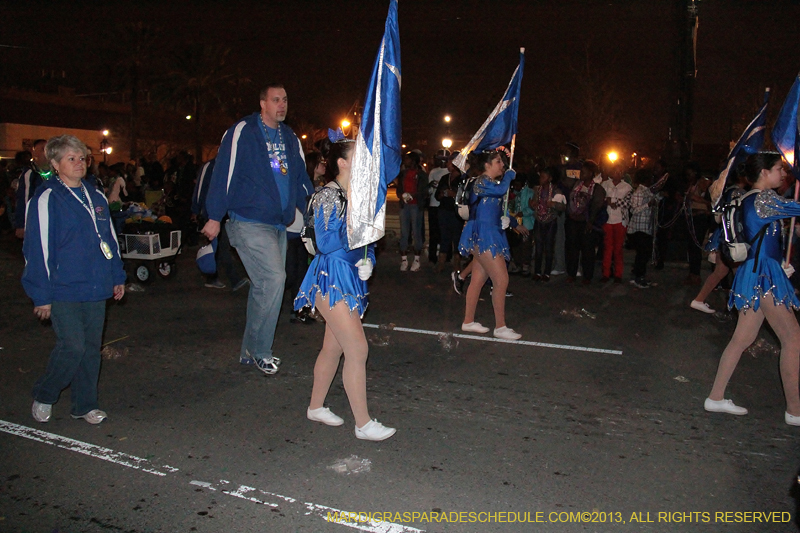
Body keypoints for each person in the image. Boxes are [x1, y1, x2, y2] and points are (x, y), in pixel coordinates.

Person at [203, 84, 314, 375]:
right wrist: (215, 215)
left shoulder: (289, 137)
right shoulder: (243, 131)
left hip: (279, 223)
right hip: (248, 221)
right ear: (262, 103)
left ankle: (248, 352)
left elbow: (300, 178)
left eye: (285, 100)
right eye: (276, 100)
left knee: (264, 287)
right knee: (276, 279)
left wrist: (312, 211)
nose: (282, 105)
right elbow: (224, 172)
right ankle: (262, 352)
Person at [294, 136, 395, 441]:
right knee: (358, 348)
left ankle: (315, 407)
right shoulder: (328, 195)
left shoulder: (357, 196)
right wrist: (356, 222)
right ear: (342, 162)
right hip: (331, 276)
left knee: (333, 347)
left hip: (350, 276)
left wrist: (370, 261)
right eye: (359, 157)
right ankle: (363, 424)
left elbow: (368, 243)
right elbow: (324, 243)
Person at [22, 135, 126, 425]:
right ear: (55, 164)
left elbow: (110, 240)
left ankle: (84, 404)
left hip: (95, 284)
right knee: (73, 346)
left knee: (91, 349)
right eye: (72, 158)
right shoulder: (46, 198)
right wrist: (40, 295)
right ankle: (45, 393)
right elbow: (37, 249)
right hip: (62, 287)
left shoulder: (96, 195)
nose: (79, 163)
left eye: (83, 158)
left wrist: (116, 276)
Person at [705, 152, 800, 426]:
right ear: (764, 173)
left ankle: (716, 397)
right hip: (764, 276)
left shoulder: (747, 199)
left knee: (741, 339)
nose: (783, 174)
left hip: (754, 273)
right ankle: (795, 410)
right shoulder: (764, 199)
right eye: (779, 169)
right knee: (793, 338)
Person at [458, 150, 528, 340]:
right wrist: (510, 177)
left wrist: (511, 223)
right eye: (498, 162)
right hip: (483, 235)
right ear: (487, 165)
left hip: (489, 233)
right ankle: (500, 326)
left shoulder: (490, 184)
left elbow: (494, 210)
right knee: (501, 280)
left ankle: (468, 321)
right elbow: (499, 191)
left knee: (478, 280)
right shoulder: (481, 181)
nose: (502, 165)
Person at [191, 158, 249, 292]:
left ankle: (212, 276)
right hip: (210, 213)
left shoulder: (231, 165)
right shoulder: (210, 166)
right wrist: (196, 209)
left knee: (219, 247)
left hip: (224, 213)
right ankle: (230, 279)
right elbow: (200, 188)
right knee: (220, 246)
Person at [564, 160, 606, 284]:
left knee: (588, 251)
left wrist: (591, 222)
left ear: (591, 173)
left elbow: (596, 207)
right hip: (573, 221)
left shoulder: (597, 189)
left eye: (584, 172)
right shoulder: (576, 184)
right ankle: (571, 273)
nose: (581, 174)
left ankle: (587, 276)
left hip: (587, 222)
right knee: (572, 249)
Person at [531, 166, 566, 281]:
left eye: (543, 177)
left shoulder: (556, 191)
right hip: (539, 220)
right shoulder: (537, 189)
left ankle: (546, 272)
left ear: (550, 178)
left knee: (549, 247)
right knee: (539, 248)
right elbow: (532, 202)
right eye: (540, 176)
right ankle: (537, 271)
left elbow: (563, 207)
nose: (541, 179)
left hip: (550, 220)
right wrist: (532, 204)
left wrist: (554, 205)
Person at [395, 151, 428, 272]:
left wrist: (412, 195)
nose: (406, 161)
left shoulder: (421, 174)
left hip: (415, 206)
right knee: (404, 232)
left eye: (408, 159)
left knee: (416, 231)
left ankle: (417, 259)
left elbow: (424, 191)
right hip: (405, 205)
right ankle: (404, 260)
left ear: (413, 161)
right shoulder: (403, 173)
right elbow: (399, 188)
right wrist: (401, 196)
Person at [600, 164, 633, 282]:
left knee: (618, 249)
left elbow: (628, 203)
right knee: (608, 248)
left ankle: (618, 274)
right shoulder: (605, 184)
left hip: (620, 220)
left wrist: (612, 200)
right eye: (615, 171)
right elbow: (600, 199)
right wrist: (608, 201)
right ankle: (606, 273)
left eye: (620, 171)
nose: (617, 174)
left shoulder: (627, 187)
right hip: (607, 220)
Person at [436, 152, 464, 274]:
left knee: (457, 237)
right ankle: (441, 263)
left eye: (450, 162)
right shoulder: (444, 178)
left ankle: (457, 264)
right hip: (444, 211)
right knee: (444, 237)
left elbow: (466, 197)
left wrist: (455, 195)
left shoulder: (463, 179)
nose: (448, 164)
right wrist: (442, 194)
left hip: (456, 212)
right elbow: (437, 195)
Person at [15, 139, 49, 239]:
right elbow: (23, 199)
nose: (46, 152)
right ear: (34, 153)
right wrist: (21, 224)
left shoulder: (56, 174)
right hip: (34, 223)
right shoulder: (30, 174)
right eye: (42, 149)